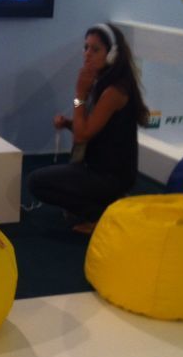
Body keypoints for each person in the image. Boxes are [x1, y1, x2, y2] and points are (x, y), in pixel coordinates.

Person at [27, 22, 150, 233]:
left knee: (35, 183)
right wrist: (68, 123)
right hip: (98, 167)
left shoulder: (114, 91)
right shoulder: (103, 82)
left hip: (110, 175)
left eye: (95, 49)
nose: (87, 54)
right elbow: (91, 128)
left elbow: (82, 136)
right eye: (86, 47)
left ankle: (100, 214)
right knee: (51, 181)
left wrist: (80, 95)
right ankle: (108, 201)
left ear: (112, 54)